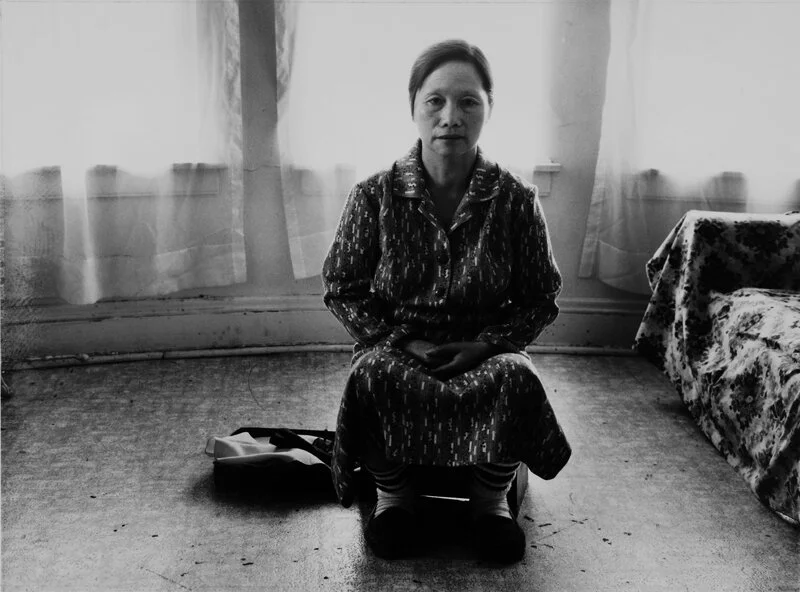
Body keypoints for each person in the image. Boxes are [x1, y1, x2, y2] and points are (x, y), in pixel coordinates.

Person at [322, 39, 571, 563]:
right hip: (398, 347)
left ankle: (489, 505)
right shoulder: (373, 195)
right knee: (369, 376)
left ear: (488, 108)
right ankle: (394, 497)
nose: (450, 117)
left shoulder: (516, 200)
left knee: (517, 378)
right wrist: (403, 341)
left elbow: (540, 295)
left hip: (485, 346)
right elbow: (343, 288)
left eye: (468, 102)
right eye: (435, 101)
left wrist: (485, 346)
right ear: (413, 108)